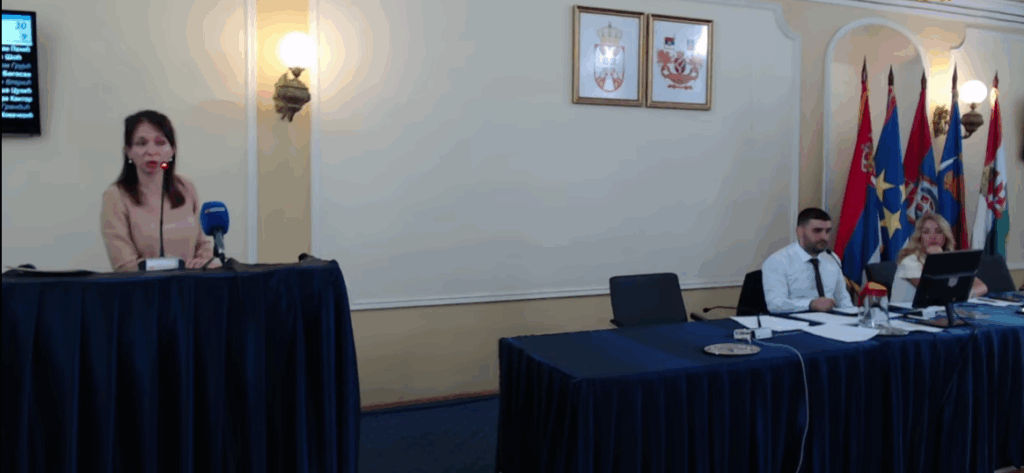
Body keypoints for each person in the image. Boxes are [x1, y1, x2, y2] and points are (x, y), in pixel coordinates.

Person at [100, 110, 219, 271]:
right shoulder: (115, 196)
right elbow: (124, 265)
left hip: (192, 283)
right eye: (141, 143)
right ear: (128, 151)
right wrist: (176, 267)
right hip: (144, 285)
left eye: (160, 142)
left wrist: (204, 261)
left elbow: (203, 244)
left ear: (172, 150)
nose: (151, 151)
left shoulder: (186, 187)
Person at [762, 207, 855, 313]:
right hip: (794, 321)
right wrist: (810, 304)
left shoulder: (832, 257)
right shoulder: (778, 261)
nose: (824, 237)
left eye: (828, 231)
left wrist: (853, 316)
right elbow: (775, 305)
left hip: (831, 320)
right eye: (817, 230)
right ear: (800, 232)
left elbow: (843, 300)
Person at [890, 212, 986, 303]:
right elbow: (935, 292)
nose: (933, 236)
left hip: (938, 311)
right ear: (919, 238)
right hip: (905, 313)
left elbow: (982, 286)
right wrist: (939, 260)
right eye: (926, 232)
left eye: (939, 232)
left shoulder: (950, 258)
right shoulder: (909, 261)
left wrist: (968, 295)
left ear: (945, 237)